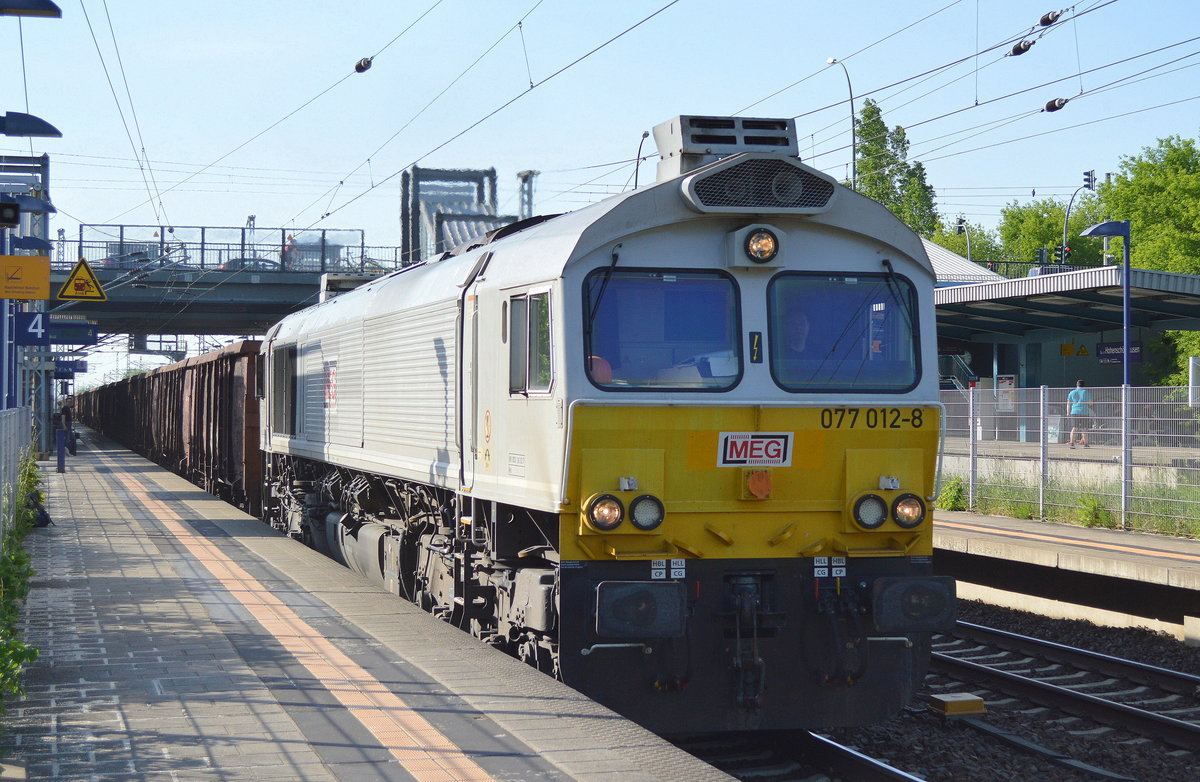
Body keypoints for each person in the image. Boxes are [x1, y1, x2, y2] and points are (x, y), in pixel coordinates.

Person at [1067, 379, 1092, 449]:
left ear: (1076, 385)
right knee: (1084, 428)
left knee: (1074, 428)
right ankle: (1086, 444)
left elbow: (1068, 403)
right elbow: (1090, 403)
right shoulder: (1086, 392)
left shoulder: (1072, 392)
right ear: (1084, 385)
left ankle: (1072, 443)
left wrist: (1068, 412)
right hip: (1084, 412)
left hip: (1074, 412)